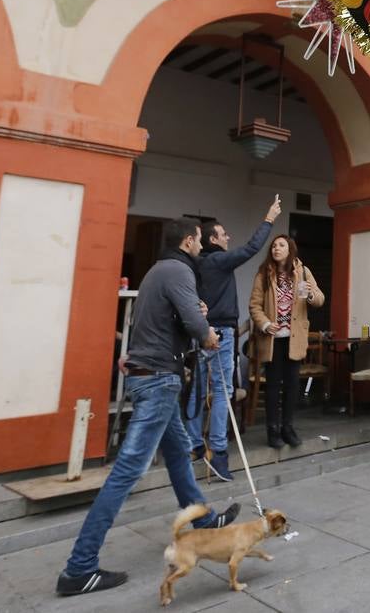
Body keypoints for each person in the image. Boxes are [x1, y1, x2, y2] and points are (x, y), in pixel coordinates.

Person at [56, 219, 240, 596]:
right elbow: (195, 324)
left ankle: (204, 522)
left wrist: (194, 315)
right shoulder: (178, 270)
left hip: (150, 375)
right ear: (189, 241)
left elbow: (166, 320)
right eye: (200, 242)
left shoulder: (159, 270)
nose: (202, 247)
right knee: (128, 470)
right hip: (159, 379)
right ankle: (80, 566)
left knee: (176, 455)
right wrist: (208, 334)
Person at [186, 198, 281, 480]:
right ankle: (218, 452)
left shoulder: (195, 264)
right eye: (223, 233)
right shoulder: (216, 260)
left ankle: (193, 444)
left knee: (198, 389)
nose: (228, 237)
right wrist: (269, 218)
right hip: (221, 334)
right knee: (222, 393)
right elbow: (251, 249)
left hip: (202, 330)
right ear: (213, 238)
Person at [249, 235, 322, 449]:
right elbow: (254, 306)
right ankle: (272, 430)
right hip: (272, 340)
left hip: (294, 339)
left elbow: (319, 299)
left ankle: (288, 428)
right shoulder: (264, 274)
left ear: (290, 250)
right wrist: (264, 324)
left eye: (281, 245)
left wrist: (310, 295)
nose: (276, 249)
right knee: (272, 387)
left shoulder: (303, 272)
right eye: (273, 245)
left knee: (292, 386)